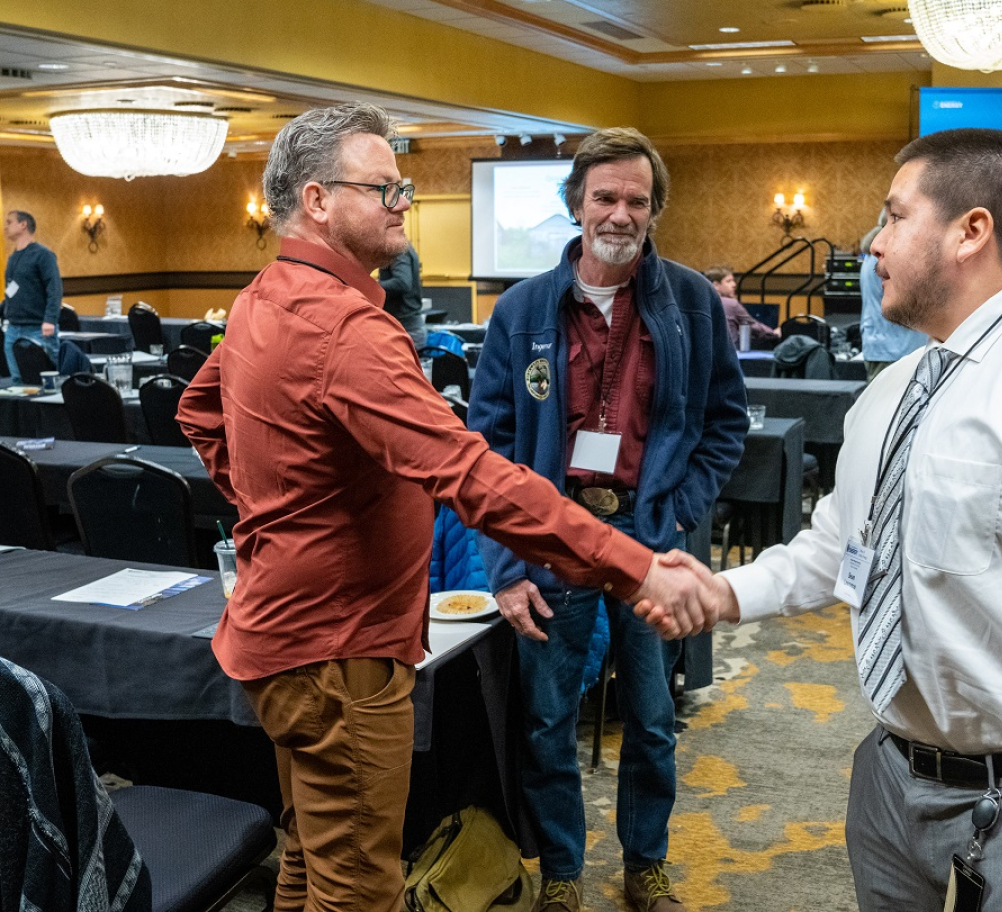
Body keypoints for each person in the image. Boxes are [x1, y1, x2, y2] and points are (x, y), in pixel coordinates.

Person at [641, 127, 1002, 911]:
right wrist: (722, 593)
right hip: (892, 780)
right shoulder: (894, 389)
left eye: (893, 216)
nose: (872, 244)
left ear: (971, 231)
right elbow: (840, 547)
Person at [176, 103, 717, 912]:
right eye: (385, 188)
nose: (404, 204)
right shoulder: (347, 329)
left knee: (307, 865)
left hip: (281, 635)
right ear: (319, 201)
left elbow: (198, 412)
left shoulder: (263, 295)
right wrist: (636, 566)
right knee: (358, 890)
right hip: (340, 651)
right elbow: (475, 474)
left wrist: (278, 516)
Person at [469, 127, 748, 912]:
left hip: (648, 540)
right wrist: (508, 567)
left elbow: (725, 422)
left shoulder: (692, 301)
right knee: (548, 720)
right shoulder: (522, 309)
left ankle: (645, 864)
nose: (620, 214)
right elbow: (486, 450)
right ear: (576, 207)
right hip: (551, 542)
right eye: (605, 198)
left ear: (654, 209)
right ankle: (562, 871)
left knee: (653, 722)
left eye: (636, 199)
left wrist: (680, 511)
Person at [858, 212, 925, 381]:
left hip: (882, 346)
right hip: (895, 349)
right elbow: (909, 301)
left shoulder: (872, 256)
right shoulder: (889, 258)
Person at [3, 210, 62, 378]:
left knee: (48, 379)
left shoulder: (43, 255)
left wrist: (50, 319)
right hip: (13, 328)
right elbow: (12, 291)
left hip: (39, 328)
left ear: (23, 225)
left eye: (9, 222)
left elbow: (54, 288)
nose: (5, 227)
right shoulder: (13, 257)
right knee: (17, 380)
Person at [704, 265, 778, 350]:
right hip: (730, 354)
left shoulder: (701, 302)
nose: (734, 285)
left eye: (733, 281)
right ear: (716, 285)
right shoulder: (731, 304)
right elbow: (753, 326)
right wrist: (773, 333)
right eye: (728, 281)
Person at [378, 242, 427, 348]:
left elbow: (402, 282)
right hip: (408, 326)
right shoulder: (404, 248)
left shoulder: (398, 250)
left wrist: (373, 285)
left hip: (406, 327)